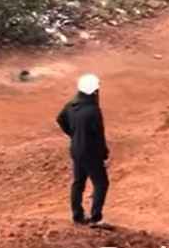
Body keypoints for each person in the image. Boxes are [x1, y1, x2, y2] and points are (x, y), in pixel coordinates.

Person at [56, 74, 110, 226]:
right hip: (91, 152)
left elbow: (60, 119)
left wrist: (73, 134)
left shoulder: (71, 105)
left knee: (78, 182)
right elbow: (99, 135)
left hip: (76, 149)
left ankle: (77, 216)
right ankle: (96, 218)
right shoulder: (93, 110)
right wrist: (104, 152)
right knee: (101, 183)